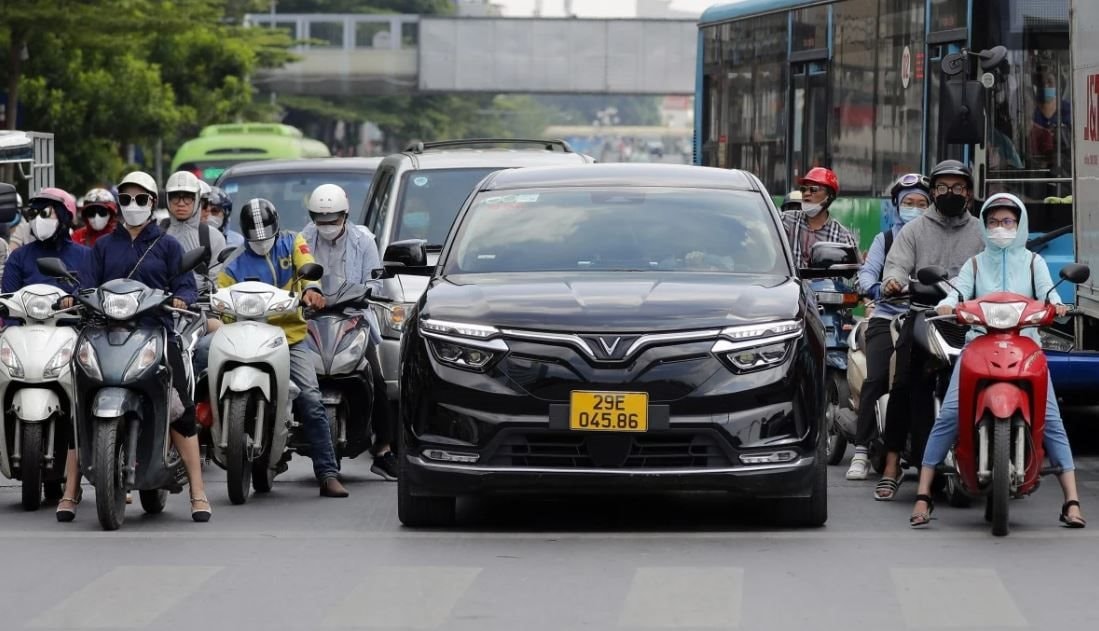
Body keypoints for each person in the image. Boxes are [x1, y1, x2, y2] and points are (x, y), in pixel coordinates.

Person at [910, 193, 1085, 528]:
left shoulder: (1033, 263)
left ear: (1020, 226)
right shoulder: (975, 264)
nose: (1000, 228)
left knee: (1052, 418)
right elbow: (957, 293)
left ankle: (1072, 501)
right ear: (985, 226)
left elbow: (1049, 293)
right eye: (993, 222)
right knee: (949, 415)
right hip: (979, 345)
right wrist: (947, 305)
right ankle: (923, 494)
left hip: (1027, 348)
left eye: (1008, 222)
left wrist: (1056, 305)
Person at [75, 170, 211, 522]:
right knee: (77, 397)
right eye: (126, 199)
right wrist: (77, 300)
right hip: (107, 333)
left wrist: (182, 299)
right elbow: (86, 286)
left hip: (156, 332)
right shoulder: (103, 246)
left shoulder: (167, 245)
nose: (132, 206)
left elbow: (186, 286)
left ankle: (198, 490)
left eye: (140, 199)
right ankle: (69, 490)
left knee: (179, 407)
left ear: (153, 203)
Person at [217, 198, 350, 498]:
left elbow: (308, 268)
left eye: (266, 237)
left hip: (289, 337)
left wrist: (312, 291)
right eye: (255, 239)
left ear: (276, 230)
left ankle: (328, 473)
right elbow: (220, 298)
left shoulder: (293, 242)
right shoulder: (233, 264)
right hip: (246, 339)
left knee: (313, 401)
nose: (261, 243)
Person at [874, 160, 985, 500]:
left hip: (971, 322)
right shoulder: (914, 230)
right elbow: (896, 266)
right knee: (905, 384)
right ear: (933, 191)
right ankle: (892, 465)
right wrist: (893, 281)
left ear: (968, 192)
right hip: (925, 318)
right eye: (942, 187)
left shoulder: (982, 231)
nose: (950, 193)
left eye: (957, 187)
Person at [2, 188, 90, 520]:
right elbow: (6, 297)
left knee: (90, 392)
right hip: (24, 334)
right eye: (37, 213)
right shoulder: (19, 257)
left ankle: (109, 466)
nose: (42, 219)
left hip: (69, 334)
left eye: (49, 213)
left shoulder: (82, 256)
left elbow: (92, 292)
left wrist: (76, 300)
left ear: (66, 217)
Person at [301, 184, 397, 480]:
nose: (327, 225)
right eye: (321, 219)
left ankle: (383, 449)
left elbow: (375, 282)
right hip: (311, 318)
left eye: (333, 219)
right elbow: (295, 275)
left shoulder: (363, 241)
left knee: (377, 380)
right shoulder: (303, 238)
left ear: (345, 215)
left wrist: (359, 295)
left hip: (353, 316)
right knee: (290, 375)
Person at [846, 174, 932, 480]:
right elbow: (866, 275)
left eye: (922, 203)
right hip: (887, 315)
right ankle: (860, 450)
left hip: (926, 317)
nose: (915, 208)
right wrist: (880, 289)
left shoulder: (933, 238)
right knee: (878, 377)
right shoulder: (885, 239)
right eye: (909, 203)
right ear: (896, 205)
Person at [781, 167, 858, 269]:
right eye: (803, 189)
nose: (806, 193)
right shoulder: (786, 220)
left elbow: (857, 275)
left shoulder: (842, 236)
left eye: (814, 189)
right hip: (792, 284)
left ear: (829, 196)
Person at [163, 171, 226, 292]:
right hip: (162, 304)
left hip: (201, 306)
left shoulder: (213, 236)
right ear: (167, 199)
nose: (181, 203)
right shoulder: (156, 234)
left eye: (188, 197)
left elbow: (217, 281)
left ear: (197, 199)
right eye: (175, 197)